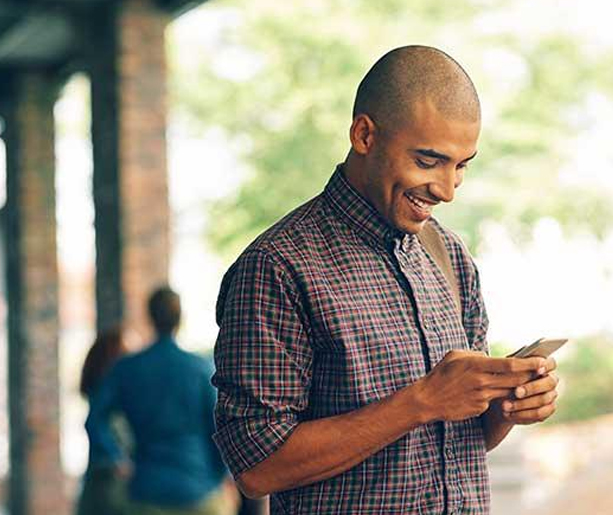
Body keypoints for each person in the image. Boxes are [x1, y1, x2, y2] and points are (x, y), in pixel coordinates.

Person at [211, 45, 561, 514]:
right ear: (364, 135)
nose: (447, 190)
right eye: (428, 160)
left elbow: (459, 443)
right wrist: (421, 401)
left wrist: (506, 407)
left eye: (462, 166)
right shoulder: (277, 267)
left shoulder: (450, 256)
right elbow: (257, 467)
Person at [86, 286, 237, 515]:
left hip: (146, 493)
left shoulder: (127, 369)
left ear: (150, 317)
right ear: (180, 319)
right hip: (199, 492)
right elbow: (221, 429)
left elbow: (95, 420)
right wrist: (220, 476)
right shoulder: (200, 369)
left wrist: (116, 458)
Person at [77, 326, 131, 515]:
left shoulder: (98, 388)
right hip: (110, 477)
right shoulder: (109, 389)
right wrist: (118, 458)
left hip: (97, 475)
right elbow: (93, 424)